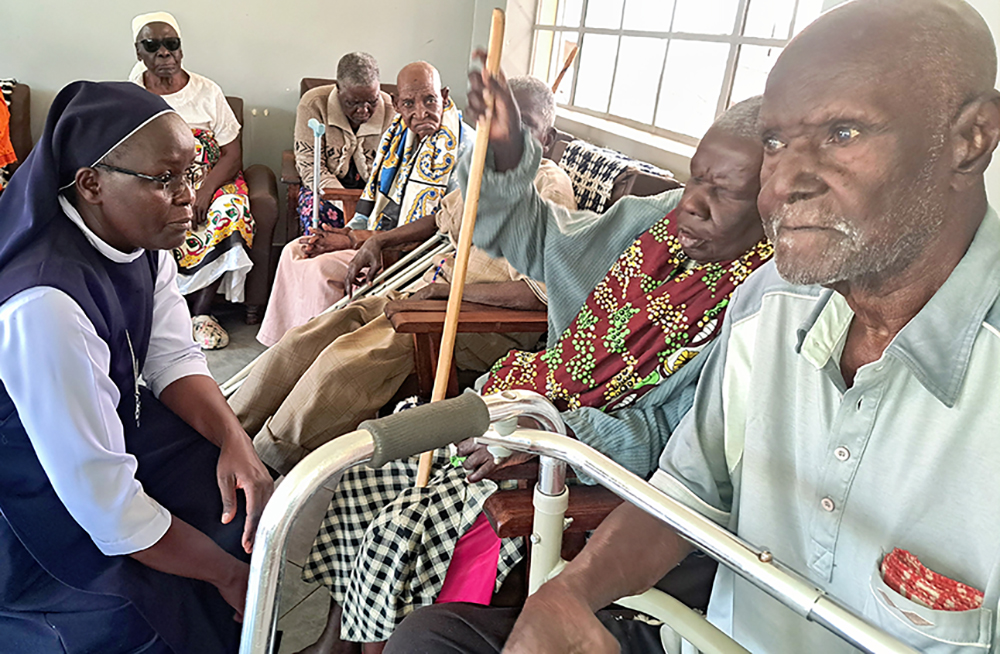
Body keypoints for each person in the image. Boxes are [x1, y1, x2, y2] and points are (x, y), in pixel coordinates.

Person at [386, 0, 1000, 652]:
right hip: (712, 636)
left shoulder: (751, 284)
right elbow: (685, 492)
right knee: (433, 638)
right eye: (775, 144)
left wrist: (564, 429)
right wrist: (572, 591)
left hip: (586, 469)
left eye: (843, 134)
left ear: (971, 138)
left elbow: (651, 439)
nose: (784, 183)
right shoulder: (765, 301)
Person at [293, 90, 774, 654]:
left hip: (570, 460)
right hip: (518, 403)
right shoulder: (656, 221)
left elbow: (669, 442)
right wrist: (502, 153)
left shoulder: (761, 307)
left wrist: (551, 437)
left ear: (776, 202)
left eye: (724, 191)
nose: (692, 202)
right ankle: (337, 640)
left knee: (398, 535)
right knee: (366, 475)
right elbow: (526, 231)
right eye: (695, 178)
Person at [0, 82, 273, 654]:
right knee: (148, 615)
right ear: (92, 184)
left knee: (250, 519)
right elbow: (109, 508)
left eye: (192, 173)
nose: (189, 197)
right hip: (36, 487)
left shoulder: (142, 235)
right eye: (165, 179)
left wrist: (236, 441)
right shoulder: (44, 302)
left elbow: (172, 356)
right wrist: (228, 579)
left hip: (115, 433)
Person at [230, 76, 574, 478]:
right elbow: (439, 220)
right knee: (308, 338)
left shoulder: (546, 188)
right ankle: (230, 433)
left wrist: (448, 295)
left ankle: (269, 465)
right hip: (425, 298)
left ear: (546, 138)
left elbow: (542, 294)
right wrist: (378, 241)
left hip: (471, 323)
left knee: (343, 363)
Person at [129, 11, 254, 350]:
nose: (164, 53)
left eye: (172, 45)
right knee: (139, 214)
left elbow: (232, 153)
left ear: (181, 49)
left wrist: (204, 191)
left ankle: (201, 314)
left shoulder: (207, 91)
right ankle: (163, 313)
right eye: (152, 46)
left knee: (231, 210)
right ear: (138, 52)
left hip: (210, 180)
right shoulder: (131, 95)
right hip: (157, 183)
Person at [256, 52, 395, 346]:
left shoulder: (391, 111)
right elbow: (308, 165)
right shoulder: (314, 104)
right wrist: (341, 203)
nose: (364, 110)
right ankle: (299, 325)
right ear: (338, 89)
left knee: (349, 241)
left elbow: (390, 173)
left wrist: (361, 210)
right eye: (354, 102)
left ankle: (347, 315)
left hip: (374, 194)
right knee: (315, 240)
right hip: (324, 188)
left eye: (371, 100)